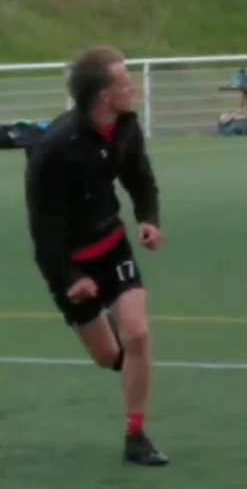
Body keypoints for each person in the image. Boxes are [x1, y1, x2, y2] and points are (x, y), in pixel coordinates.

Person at [24, 46, 169, 467]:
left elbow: (140, 177)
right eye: (125, 82)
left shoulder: (125, 126)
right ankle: (108, 337)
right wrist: (71, 277)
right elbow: (44, 231)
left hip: (112, 246)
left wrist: (148, 219)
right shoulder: (54, 149)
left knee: (137, 335)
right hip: (69, 263)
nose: (133, 88)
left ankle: (136, 437)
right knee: (109, 357)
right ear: (105, 94)